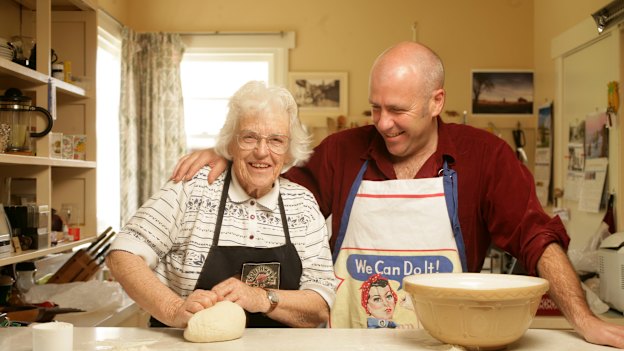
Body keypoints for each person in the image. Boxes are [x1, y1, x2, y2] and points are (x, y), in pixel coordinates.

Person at [170, 42, 624, 347]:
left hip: (445, 340)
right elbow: (275, 192)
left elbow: (536, 237)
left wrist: (582, 319)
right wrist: (236, 151)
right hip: (347, 339)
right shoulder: (342, 151)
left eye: (398, 110)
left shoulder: (484, 156)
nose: (383, 123)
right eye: (376, 107)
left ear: (436, 101)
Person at [107, 80, 337, 329]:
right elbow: (123, 255)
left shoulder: (302, 204)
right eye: (249, 137)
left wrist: (262, 298)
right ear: (230, 143)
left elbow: (320, 305)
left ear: (289, 150)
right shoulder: (192, 187)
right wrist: (174, 309)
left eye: (275, 140)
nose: (262, 152)